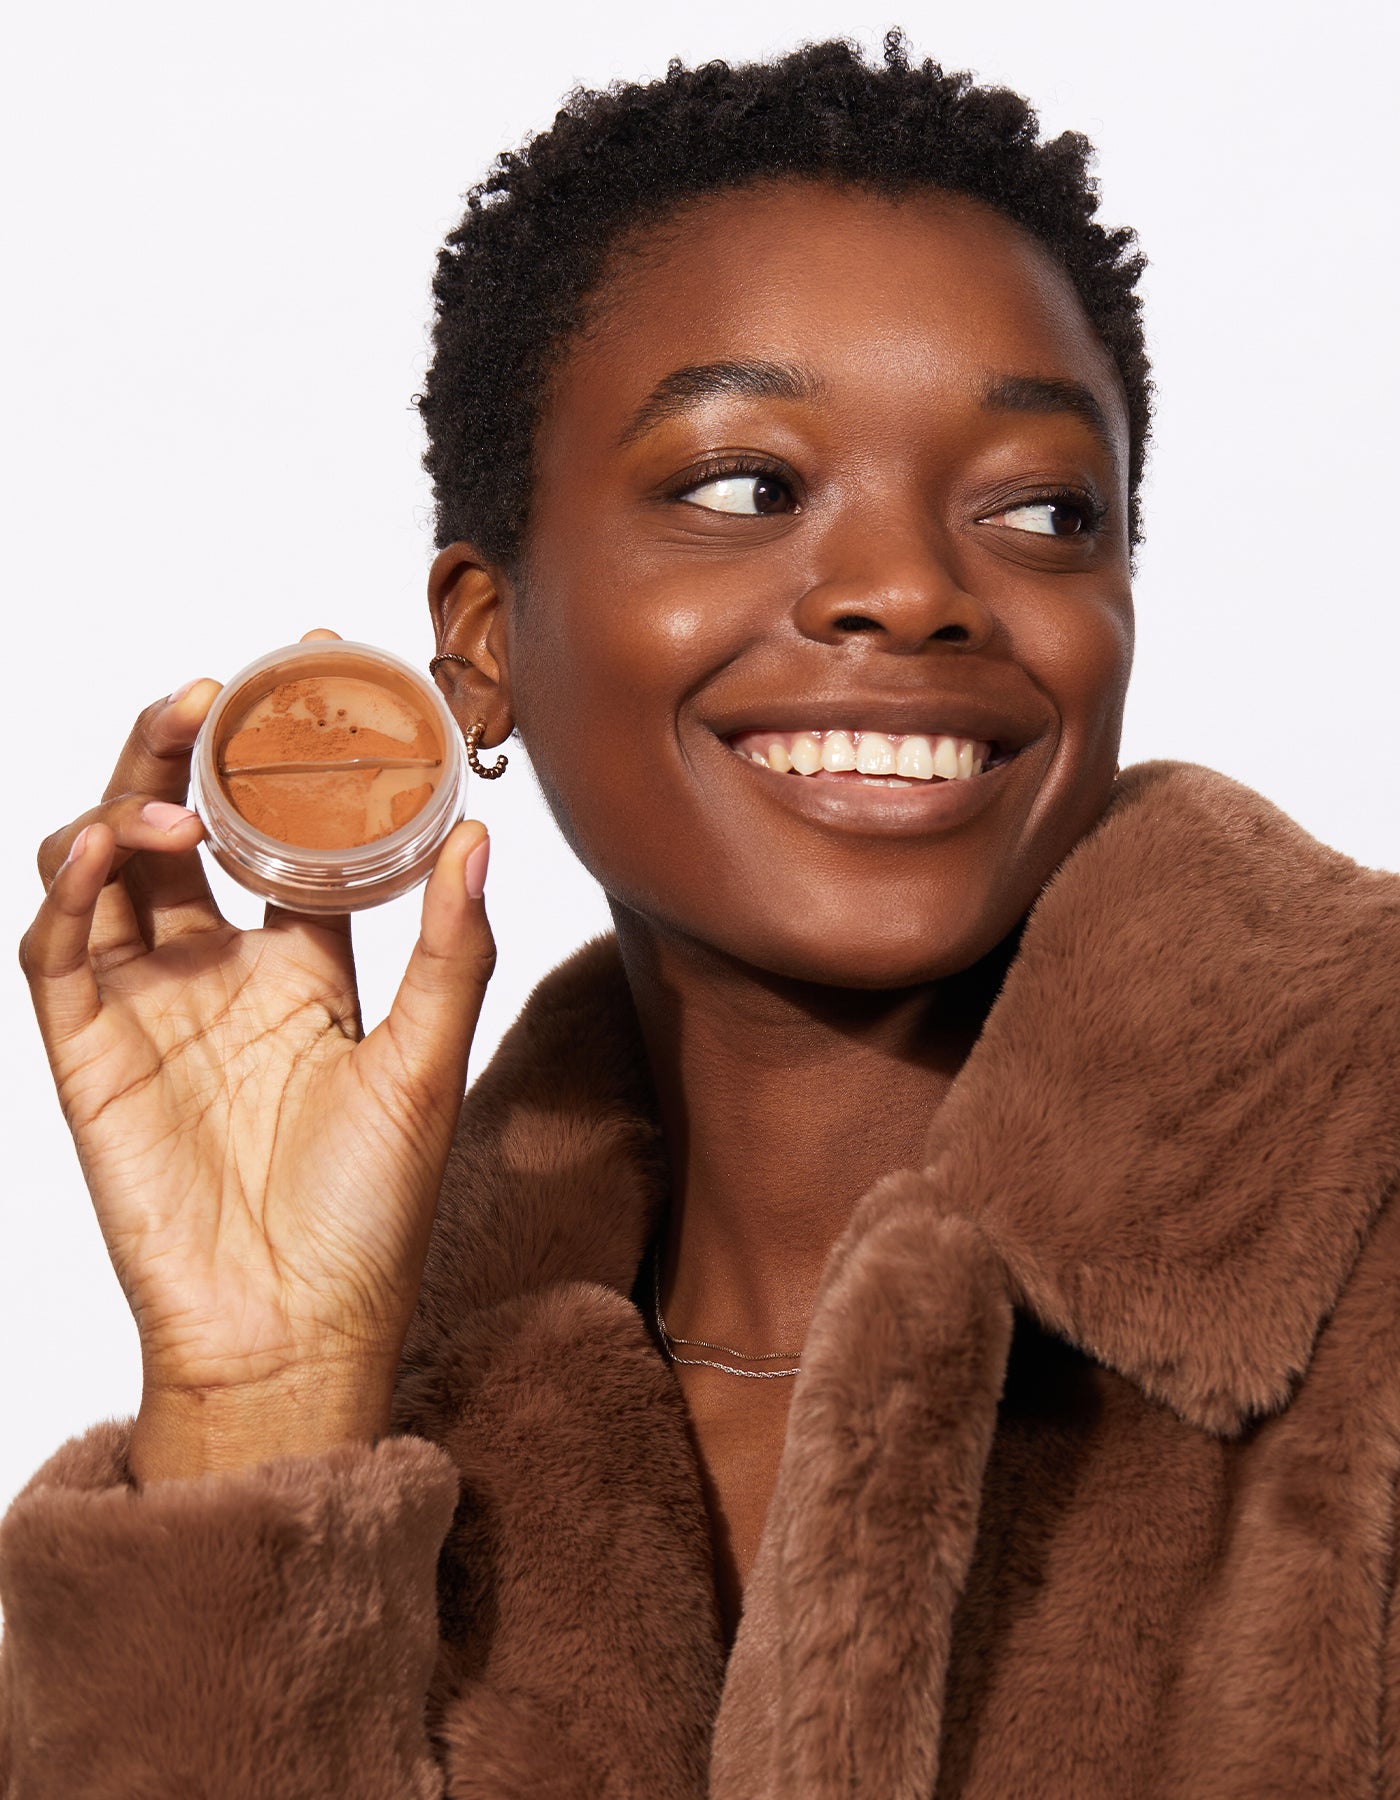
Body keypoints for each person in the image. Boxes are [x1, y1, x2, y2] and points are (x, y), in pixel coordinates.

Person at [3, 30, 1398, 1799]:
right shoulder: (431, 1414)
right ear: (484, 644)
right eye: (747, 487)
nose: (910, 590)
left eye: (1045, 510)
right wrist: (263, 1394)